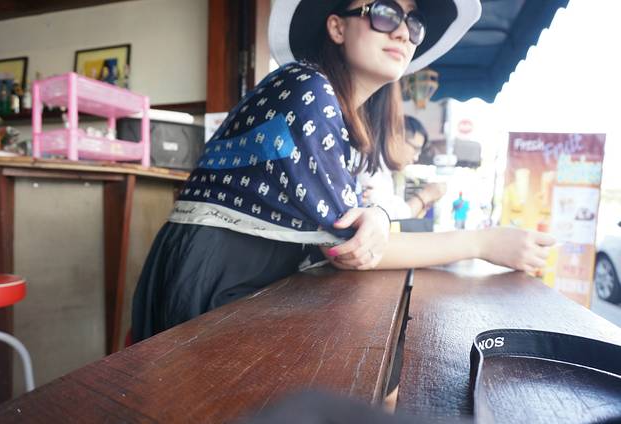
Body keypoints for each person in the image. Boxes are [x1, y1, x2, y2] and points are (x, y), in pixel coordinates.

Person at [132, 0, 554, 343]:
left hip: (235, 278)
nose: (403, 33)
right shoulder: (308, 88)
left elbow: (355, 229)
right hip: (216, 282)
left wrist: (378, 217)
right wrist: (483, 241)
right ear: (337, 27)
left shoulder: (335, 107)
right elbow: (353, 249)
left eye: (414, 23)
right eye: (385, 13)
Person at [359, 115, 446, 219]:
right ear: (397, 138)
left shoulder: (383, 169)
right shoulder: (370, 164)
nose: (416, 157)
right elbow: (388, 215)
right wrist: (426, 195)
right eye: (415, 149)